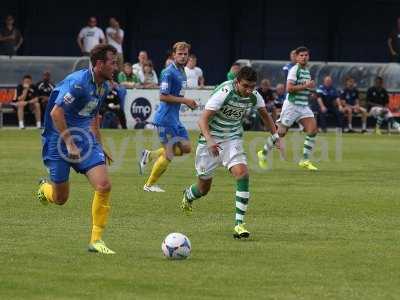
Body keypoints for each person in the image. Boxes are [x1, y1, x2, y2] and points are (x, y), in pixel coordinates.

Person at [36, 44, 120, 255]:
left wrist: (98, 144)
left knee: (104, 185)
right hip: (58, 140)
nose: (116, 66)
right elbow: (56, 113)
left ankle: (96, 240)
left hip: (84, 139)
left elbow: (93, 115)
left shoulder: (104, 86)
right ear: (99, 64)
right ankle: (44, 189)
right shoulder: (78, 83)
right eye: (113, 62)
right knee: (60, 199)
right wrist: (69, 142)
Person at [181, 66, 278, 239]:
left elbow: (265, 115)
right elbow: (202, 119)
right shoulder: (224, 92)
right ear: (237, 81)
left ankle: (239, 224)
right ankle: (188, 194)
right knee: (203, 189)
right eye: (246, 86)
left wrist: (276, 136)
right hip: (209, 141)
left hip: (232, 138)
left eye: (252, 87)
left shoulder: (254, 96)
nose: (249, 91)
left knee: (242, 173)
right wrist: (210, 140)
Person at [138, 41, 198, 192]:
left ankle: (149, 155)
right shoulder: (168, 72)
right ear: (173, 55)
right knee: (170, 152)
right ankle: (149, 185)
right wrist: (186, 101)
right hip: (164, 119)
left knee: (186, 148)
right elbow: (163, 96)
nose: (183, 57)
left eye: (185, 54)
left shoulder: (182, 71)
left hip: (175, 119)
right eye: (180, 54)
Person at [258, 46, 318, 171]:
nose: (304, 57)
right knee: (280, 133)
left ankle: (304, 160)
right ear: (296, 57)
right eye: (301, 55)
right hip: (292, 106)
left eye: (306, 55)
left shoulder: (307, 71)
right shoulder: (294, 70)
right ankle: (262, 154)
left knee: (313, 130)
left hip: (303, 106)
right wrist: (305, 86)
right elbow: (289, 89)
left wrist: (310, 91)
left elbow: (303, 87)